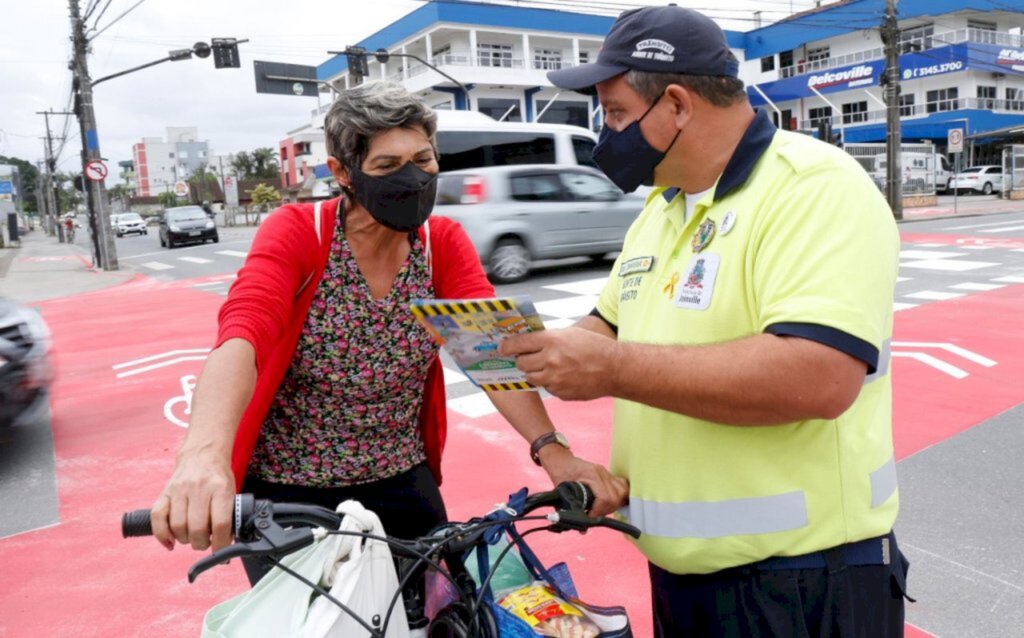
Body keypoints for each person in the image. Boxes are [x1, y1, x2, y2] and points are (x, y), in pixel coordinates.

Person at [499, 6, 909, 637]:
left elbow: (818, 377)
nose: (606, 135)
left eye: (613, 113)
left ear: (677, 105)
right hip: (685, 583)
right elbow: (603, 331)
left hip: (802, 585)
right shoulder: (662, 210)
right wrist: (526, 349)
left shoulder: (813, 188)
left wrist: (609, 368)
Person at [150, 81, 627, 584]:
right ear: (342, 173)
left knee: (442, 606)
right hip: (289, 490)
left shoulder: (439, 243)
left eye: (423, 159)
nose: (412, 178)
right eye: (386, 166)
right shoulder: (299, 231)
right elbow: (243, 335)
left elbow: (491, 352)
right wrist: (203, 456)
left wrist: (555, 453)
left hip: (399, 476)